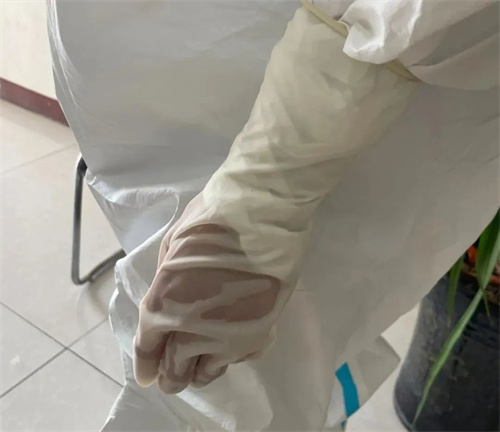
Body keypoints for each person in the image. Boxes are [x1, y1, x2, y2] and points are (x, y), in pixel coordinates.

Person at [48, 1, 499, 430]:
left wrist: (266, 187)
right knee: (214, 349)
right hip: (156, 123)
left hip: (304, 100)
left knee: (243, 374)